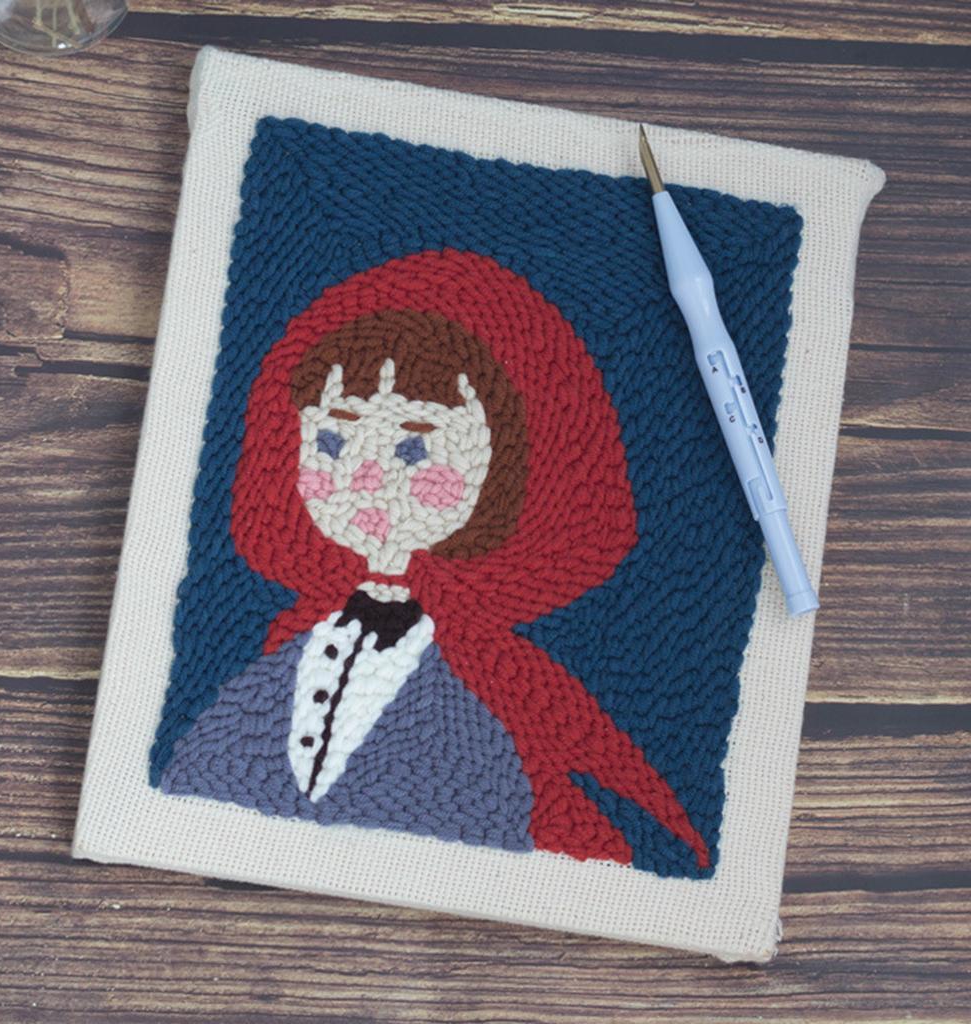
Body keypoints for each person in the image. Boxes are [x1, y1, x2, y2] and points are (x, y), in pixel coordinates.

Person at [161, 249, 709, 869]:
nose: (365, 478)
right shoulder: (286, 646)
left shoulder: (501, 699)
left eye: (413, 451)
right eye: (333, 440)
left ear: (506, 473)